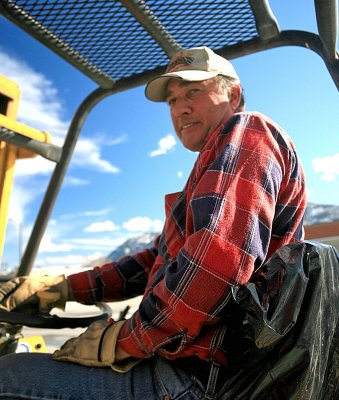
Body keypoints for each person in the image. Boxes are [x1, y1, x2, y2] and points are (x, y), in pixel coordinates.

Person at [0, 46, 306, 399]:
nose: (181, 108)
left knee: (8, 377)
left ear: (232, 94)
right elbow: (148, 264)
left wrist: (121, 342)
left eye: (193, 91)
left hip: (202, 379)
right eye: (172, 100)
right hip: (194, 371)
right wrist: (61, 287)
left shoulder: (247, 130)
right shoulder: (209, 172)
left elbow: (214, 269)